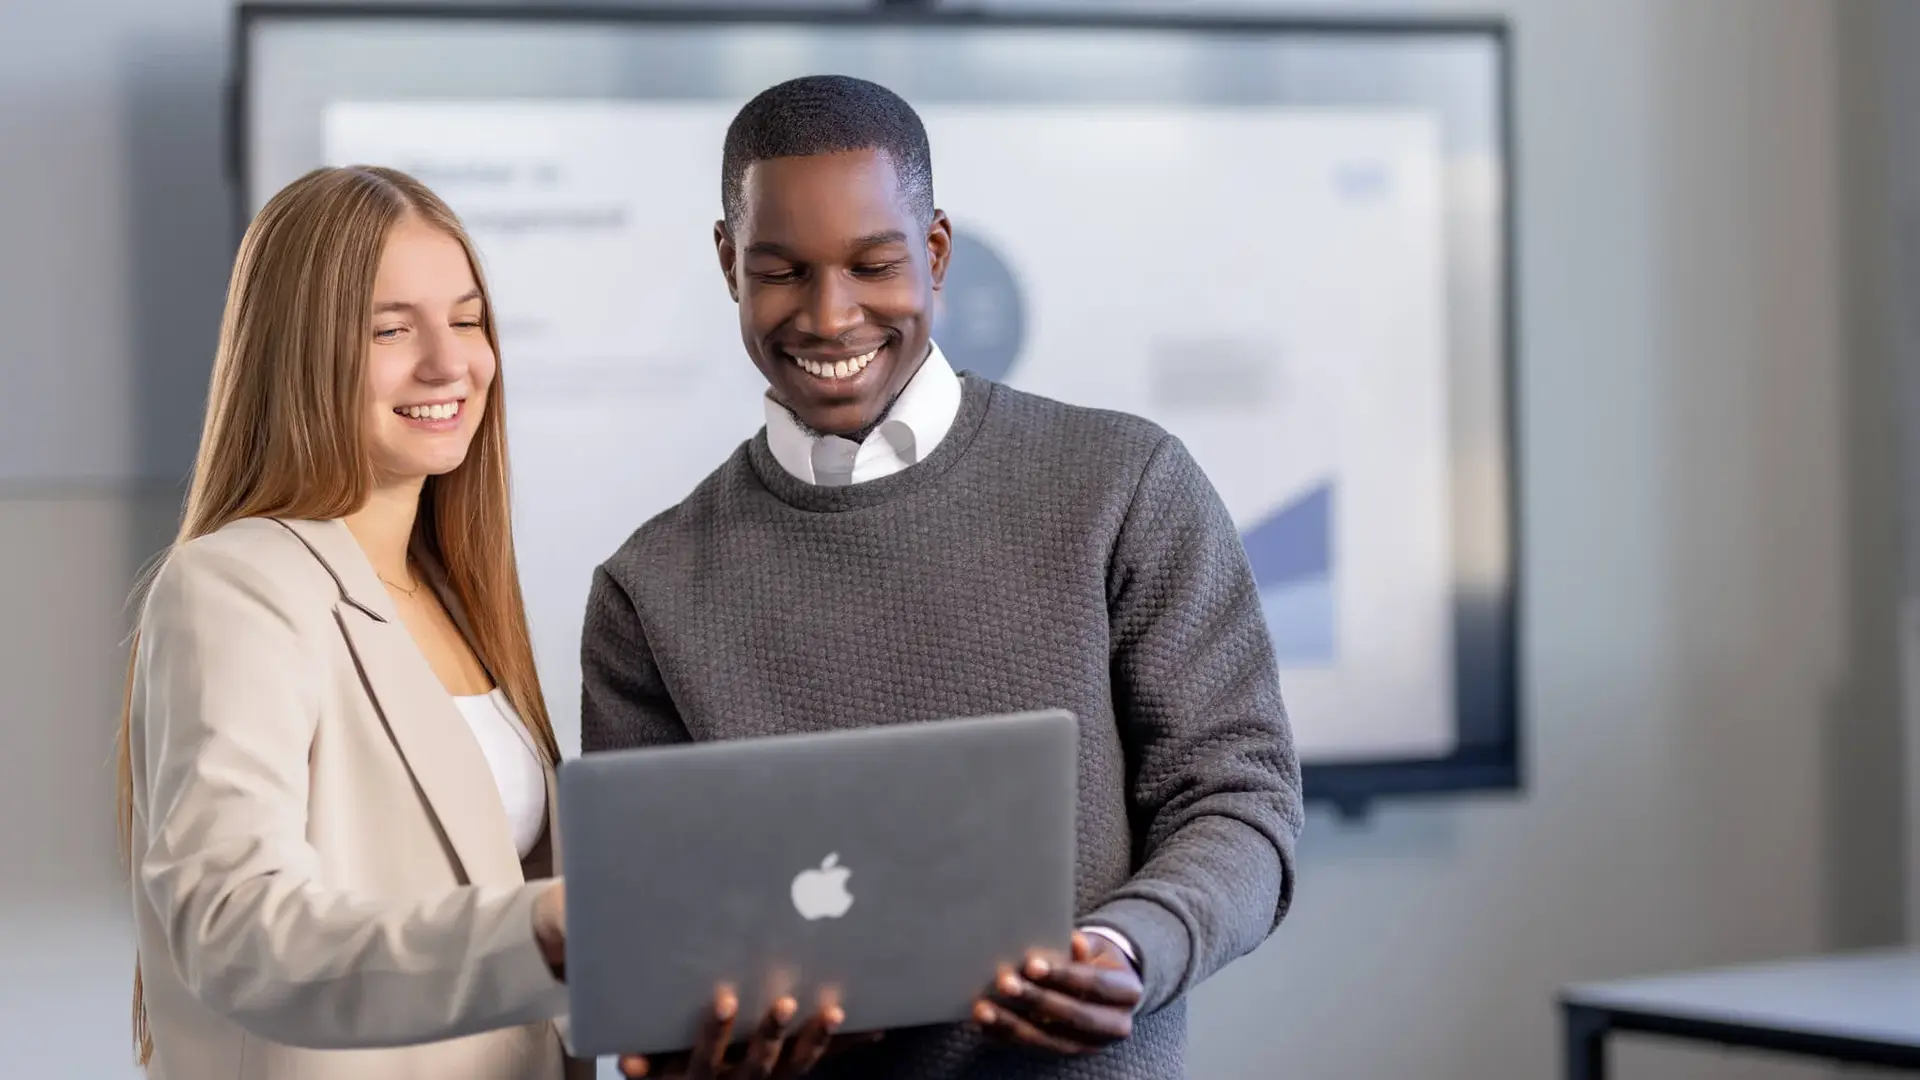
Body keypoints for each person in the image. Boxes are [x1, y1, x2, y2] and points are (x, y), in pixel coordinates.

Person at [580, 75, 1304, 1079]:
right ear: (727, 263)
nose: (830, 318)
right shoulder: (647, 590)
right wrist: (704, 1051)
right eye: (782, 271)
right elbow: (654, 955)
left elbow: (1240, 802)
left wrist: (1135, 948)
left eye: (873, 266)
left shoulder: (1123, 485)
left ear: (934, 254)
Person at [117, 165, 841, 1080]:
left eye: (465, 321)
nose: (448, 362)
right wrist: (540, 930)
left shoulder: (453, 597)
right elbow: (231, 928)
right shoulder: (236, 583)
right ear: (294, 352)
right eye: (390, 329)